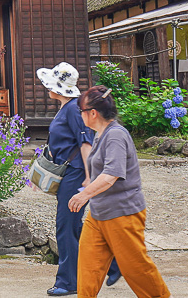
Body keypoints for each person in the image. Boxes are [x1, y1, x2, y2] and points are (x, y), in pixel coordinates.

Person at [69, 85, 169, 298]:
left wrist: (84, 194)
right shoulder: (100, 134)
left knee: (136, 269)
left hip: (122, 214)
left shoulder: (115, 135)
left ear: (93, 113)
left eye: (82, 111)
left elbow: (111, 175)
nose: (81, 116)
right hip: (98, 214)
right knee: (88, 269)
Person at [36, 63, 119, 296]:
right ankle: (114, 262)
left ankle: (68, 281)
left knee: (66, 227)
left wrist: (90, 178)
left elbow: (86, 144)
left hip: (75, 174)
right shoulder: (68, 107)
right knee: (75, 226)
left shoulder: (73, 109)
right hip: (69, 172)